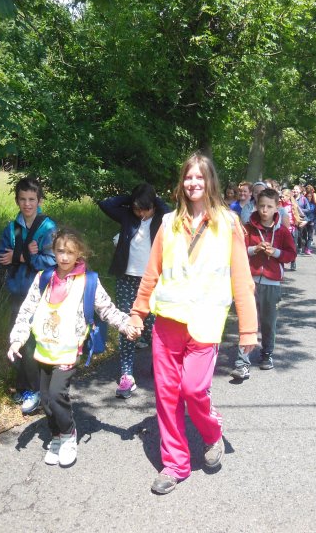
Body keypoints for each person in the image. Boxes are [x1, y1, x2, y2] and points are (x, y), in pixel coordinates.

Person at [127, 152, 258, 495]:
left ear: (210, 181)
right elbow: (151, 273)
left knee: (194, 390)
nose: (193, 182)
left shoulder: (228, 223)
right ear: (181, 182)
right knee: (167, 396)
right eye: (188, 176)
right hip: (167, 324)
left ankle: (212, 433)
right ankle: (175, 464)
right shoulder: (168, 222)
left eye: (200, 176)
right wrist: (138, 312)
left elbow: (241, 278)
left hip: (205, 323)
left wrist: (248, 328)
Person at [7, 228, 139, 467]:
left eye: (70, 252)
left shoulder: (88, 281)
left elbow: (106, 309)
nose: (64, 257)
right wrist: (17, 339)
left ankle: (68, 435)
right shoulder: (43, 278)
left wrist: (126, 325)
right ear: (53, 252)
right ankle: (56, 436)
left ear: (79, 253)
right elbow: (27, 311)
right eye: (60, 251)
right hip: (44, 350)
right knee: (46, 399)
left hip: (69, 351)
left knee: (57, 394)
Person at [97, 184, 172, 399]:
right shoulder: (127, 216)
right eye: (137, 209)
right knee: (127, 325)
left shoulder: (162, 219)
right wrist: (131, 199)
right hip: (126, 279)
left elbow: (168, 210)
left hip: (152, 281)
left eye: (145, 209)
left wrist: (153, 200)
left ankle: (159, 364)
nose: (141, 213)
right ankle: (126, 374)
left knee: (152, 328)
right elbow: (105, 204)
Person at [0, 176, 57, 415]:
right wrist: (23, 255)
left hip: (41, 293)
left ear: (39, 200)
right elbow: (2, 257)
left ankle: (37, 390)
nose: (27, 204)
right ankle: (23, 387)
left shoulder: (48, 228)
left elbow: (52, 261)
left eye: (32, 199)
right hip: (17, 291)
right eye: (22, 199)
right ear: (17, 200)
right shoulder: (12, 228)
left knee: (35, 343)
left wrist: (22, 256)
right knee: (18, 339)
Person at [230, 187, 297, 380]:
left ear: (277, 207)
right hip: (249, 280)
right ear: (256, 206)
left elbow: (291, 255)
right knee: (247, 321)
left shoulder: (282, 232)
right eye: (261, 206)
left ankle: (267, 354)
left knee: (268, 322)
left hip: (272, 283)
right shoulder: (248, 229)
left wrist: (275, 252)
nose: (264, 210)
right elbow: (238, 251)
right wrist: (255, 249)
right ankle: (242, 363)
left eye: (269, 206)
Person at [304, 187, 316, 253]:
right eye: (307, 196)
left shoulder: (314, 204)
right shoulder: (304, 204)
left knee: (310, 236)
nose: (309, 198)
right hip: (305, 221)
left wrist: (314, 221)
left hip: (311, 221)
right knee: (304, 235)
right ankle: (305, 246)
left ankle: (308, 248)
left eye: (310, 196)